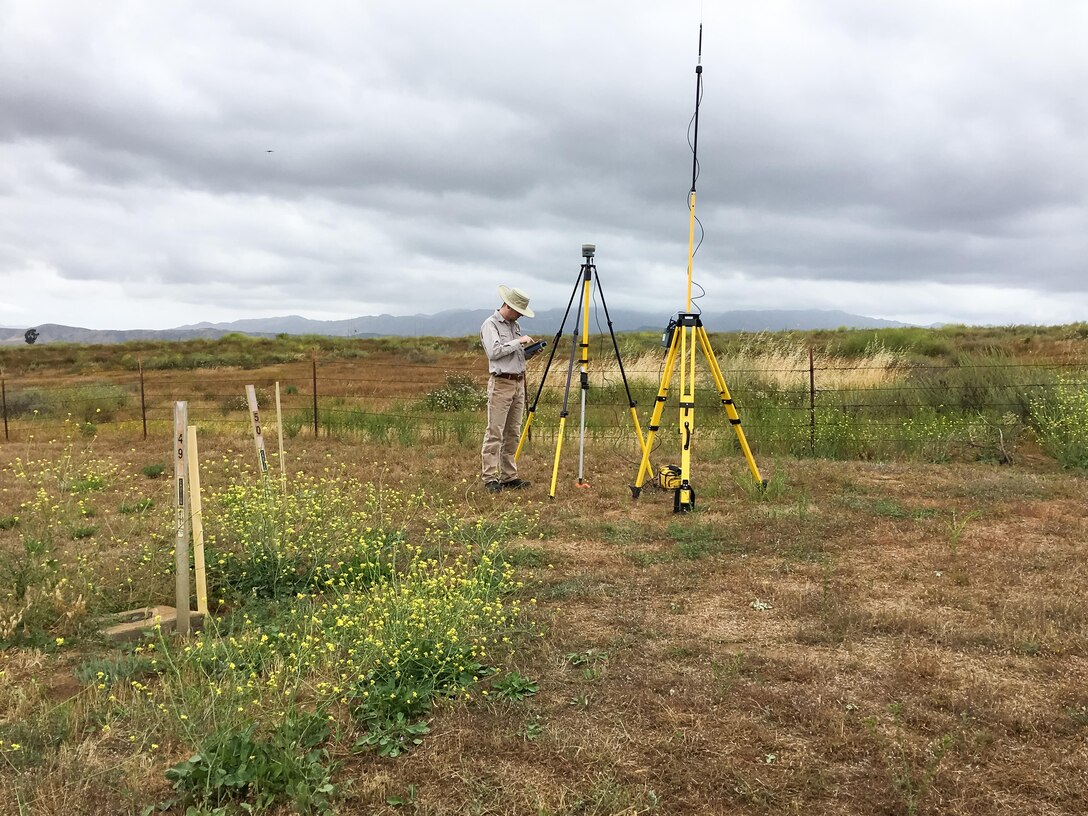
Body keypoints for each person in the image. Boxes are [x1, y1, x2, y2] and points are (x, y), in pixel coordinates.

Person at [480, 285, 537, 492]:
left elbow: (514, 354)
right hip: (501, 383)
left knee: (513, 431)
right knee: (495, 431)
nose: (520, 316)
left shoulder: (515, 326)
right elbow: (494, 352)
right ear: (508, 306)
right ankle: (489, 478)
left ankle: (509, 476)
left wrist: (528, 351)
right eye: (518, 311)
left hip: (518, 382)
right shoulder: (491, 325)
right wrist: (518, 341)